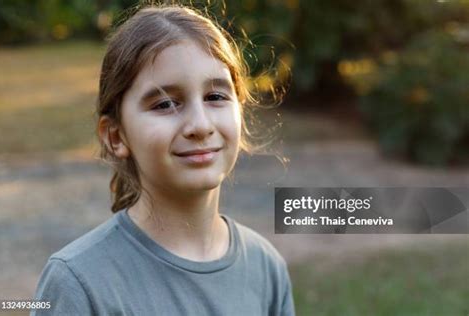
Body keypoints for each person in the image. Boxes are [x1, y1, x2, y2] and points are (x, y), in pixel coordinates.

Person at [32, 5, 295, 316]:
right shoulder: (78, 283)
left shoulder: (266, 268)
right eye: (165, 104)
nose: (200, 125)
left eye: (215, 97)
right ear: (116, 136)